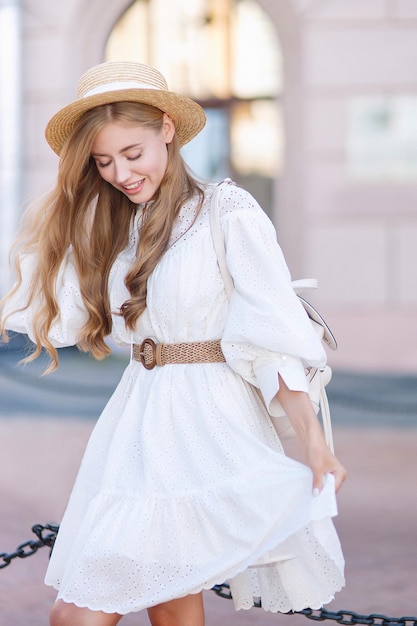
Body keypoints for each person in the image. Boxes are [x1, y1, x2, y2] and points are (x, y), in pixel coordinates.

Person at [0, 61, 346, 626]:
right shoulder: (119, 226)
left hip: (207, 424)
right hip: (138, 421)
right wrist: (75, 203)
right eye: (103, 161)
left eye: (132, 154)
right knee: (169, 603)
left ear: (167, 127)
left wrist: (312, 443)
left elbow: (273, 335)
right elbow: (57, 310)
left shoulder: (227, 211)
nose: (120, 173)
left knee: (79, 615)